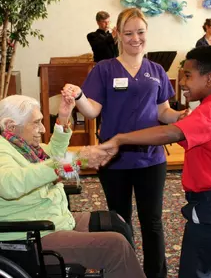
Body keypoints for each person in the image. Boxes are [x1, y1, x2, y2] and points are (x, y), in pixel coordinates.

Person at [63, 7, 189, 278]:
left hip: (151, 158)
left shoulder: (156, 70)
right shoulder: (104, 69)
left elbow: (162, 112)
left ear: (147, 33)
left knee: (152, 222)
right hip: (114, 158)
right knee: (119, 222)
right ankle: (127, 272)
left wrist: (182, 115)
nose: (135, 38)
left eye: (140, 32)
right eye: (128, 33)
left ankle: (156, 275)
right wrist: (79, 95)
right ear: (118, 34)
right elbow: (92, 110)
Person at [96, 46, 211, 278]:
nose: (182, 82)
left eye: (188, 75)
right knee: (208, 270)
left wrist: (120, 138)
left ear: (209, 78)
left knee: (194, 272)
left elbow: (169, 134)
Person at [0, 94, 146, 278]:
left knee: (115, 222)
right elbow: (10, 185)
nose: (43, 129)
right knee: (115, 246)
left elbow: (54, 156)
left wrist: (63, 117)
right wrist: (76, 161)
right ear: (11, 127)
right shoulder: (2, 151)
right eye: (36, 123)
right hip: (28, 236)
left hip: (52, 219)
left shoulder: (24, 147)